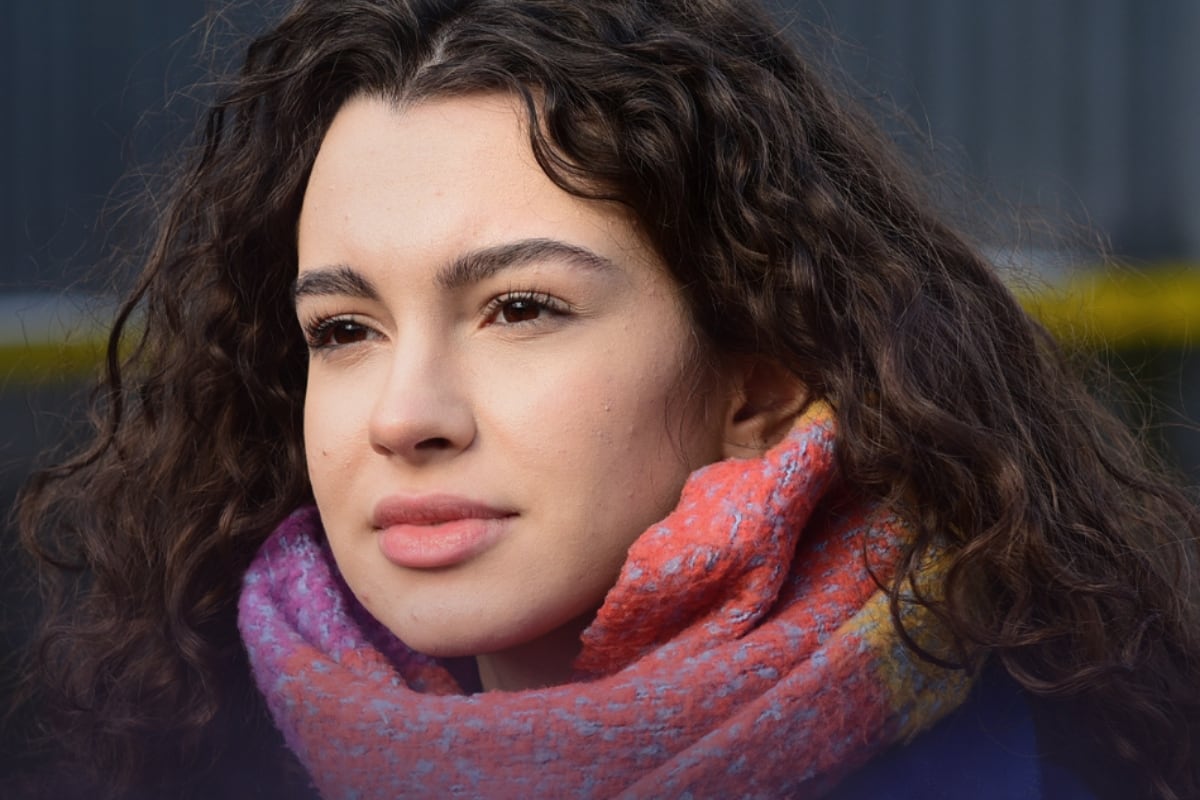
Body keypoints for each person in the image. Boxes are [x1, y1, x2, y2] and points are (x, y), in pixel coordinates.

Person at [13, 0, 1200, 797]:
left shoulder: (1054, 766)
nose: (403, 416)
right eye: (343, 330)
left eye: (521, 307)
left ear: (761, 383)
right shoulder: (178, 754)